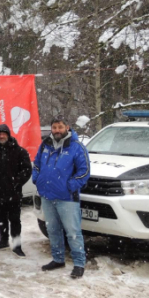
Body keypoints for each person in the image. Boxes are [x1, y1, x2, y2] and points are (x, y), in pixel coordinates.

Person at [33, 115, 90, 278]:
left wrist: (70, 185)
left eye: (60, 127)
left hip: (67, 198)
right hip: (47, 196)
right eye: (54, 127)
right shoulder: (45, 144)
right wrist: (37, 178)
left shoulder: (77, 147)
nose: (57, 130)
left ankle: (79, 263)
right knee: (52, 229)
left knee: (72, 231)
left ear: (67, 127)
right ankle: (58, 259)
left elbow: (84, 171)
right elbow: (37, 163)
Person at [0, 124, 32, 257]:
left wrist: (16, 182)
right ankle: (3, 241)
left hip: (13, 193)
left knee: (15, 220)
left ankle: (16, 245)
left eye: (4, 133)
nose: (1, 136)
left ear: (8, 135)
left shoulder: (19, 151)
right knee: (1, 218)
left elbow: (27, 170)